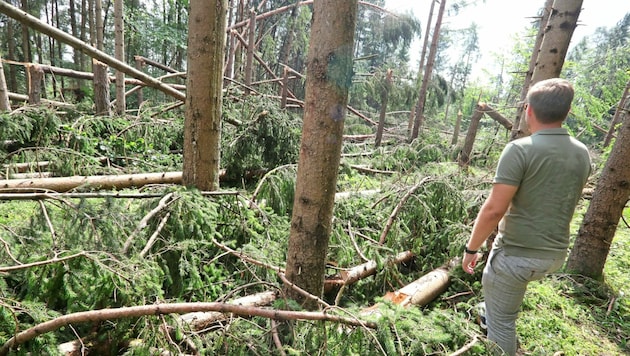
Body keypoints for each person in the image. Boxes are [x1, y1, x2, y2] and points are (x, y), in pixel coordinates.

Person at [461, 78, 591, 355]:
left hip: (516, 257)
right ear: (566, 113)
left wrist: (471, 249)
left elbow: (494, 209)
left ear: (528, 110)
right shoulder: (582, 153)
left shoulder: (520, 149)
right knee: (501, 305)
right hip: (554, 256)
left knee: (502, 324)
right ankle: (492, 309)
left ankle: (496, 326)